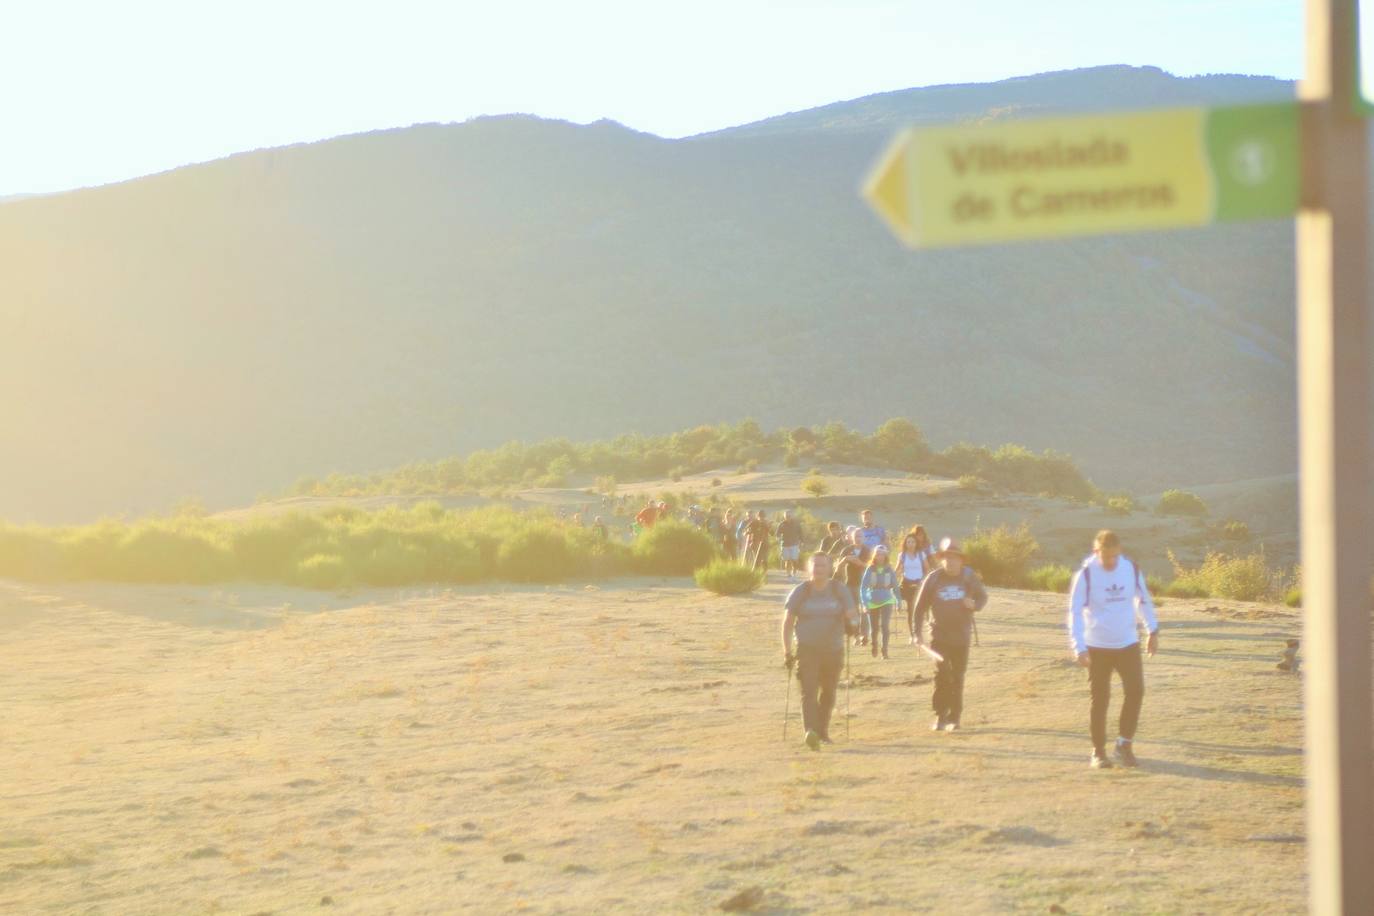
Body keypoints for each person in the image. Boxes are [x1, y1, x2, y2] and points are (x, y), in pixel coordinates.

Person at [1067, 529, 1158, 769]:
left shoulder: (1131, 569)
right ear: (1096, 552)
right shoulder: (1086, 575)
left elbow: (1143, 600)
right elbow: (1074, 612)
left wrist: (1153, 630)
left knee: (1136, 690)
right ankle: (1098, 752)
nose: (1110, 562)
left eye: (1114, 556)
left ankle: (1124, 744)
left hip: (1127, 642)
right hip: (1097, 646)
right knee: (1100, 699)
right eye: (1105, 556)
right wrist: (1079, 646)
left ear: (1120, 552)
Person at [782, 552, 859, 750]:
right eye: (815, 565)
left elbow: (851, 613)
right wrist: (787, 651)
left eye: (822, 566)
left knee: (829, 692)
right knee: (808, 692)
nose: (819, 569)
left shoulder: (838, 589)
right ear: (809, 569)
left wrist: (854, 627)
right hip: (806, 649)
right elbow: (788, 622)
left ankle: (823, 732)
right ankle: (811, 732)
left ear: (830, 569)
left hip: (833, 649)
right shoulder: (801, 591)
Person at [914, 537, 988, 732]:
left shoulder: (968, 576)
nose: (951, 561)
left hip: (962, 636)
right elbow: (919, 607)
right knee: (942, 674)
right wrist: (916, 634)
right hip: (939, 635)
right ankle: (940, 716)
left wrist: (975, 605)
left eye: (955, 558)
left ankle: (955, 718)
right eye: (947, 557)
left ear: (961, 560)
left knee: (957, 676)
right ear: (942, 559)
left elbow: (982, 597)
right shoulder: (933, 579)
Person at [897, 527, 936, 645]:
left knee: (920, 609)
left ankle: (920, 632)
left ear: (916, 543)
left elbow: (927, 568)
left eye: (913, 542)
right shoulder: (902, 555)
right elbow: (898, 570)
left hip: (919, 584)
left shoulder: (921, 554)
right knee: (911, 610)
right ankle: (913, 634)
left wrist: (926, 580)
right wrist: (893, 578)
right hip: (907, 584)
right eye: (908, 542)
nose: (910, 544)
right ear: (905, 543)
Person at [860, 545, 900, 659]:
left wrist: (898, 600)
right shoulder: (870, 569)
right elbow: (863, 587)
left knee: (885, 626)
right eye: (877, 554)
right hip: (872, 600)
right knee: (874, 628)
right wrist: (864, 602)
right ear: (874, 556)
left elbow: (895, 586)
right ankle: (874, 644)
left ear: (885, 555)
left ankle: (885, 650)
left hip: (887, 600)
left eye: (882, 554)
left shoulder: (889, 569)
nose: (880, 556)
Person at [833, 529, 871, 646]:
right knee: (853, 612)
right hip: (849, 584)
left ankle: (865, 635)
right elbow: (837, 569)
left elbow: (871, 567)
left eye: (860, 536)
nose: (858, 538)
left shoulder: (867, 551)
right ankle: (856, 635)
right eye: (856, 536)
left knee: (865, 611)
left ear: (863, 538)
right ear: (852, 538)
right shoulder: (846, 550)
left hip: (864, 585)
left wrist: (859, 562)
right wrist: (844, 560)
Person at [775, 510, 804, 580]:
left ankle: (794, 573)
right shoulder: (781, 524)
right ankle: (788, 574)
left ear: (792, 516)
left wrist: (802, 541)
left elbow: (801, 533)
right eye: (786, 516)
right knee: (787, 560)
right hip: (785, 544)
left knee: (794, 560)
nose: (788, 517)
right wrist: (778, 538)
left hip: (794, 544)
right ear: (784, 516)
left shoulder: (796, 524)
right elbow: (777, 533)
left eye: (789, 516)